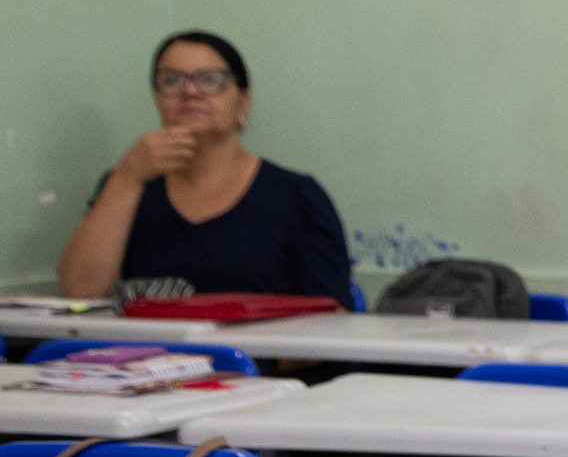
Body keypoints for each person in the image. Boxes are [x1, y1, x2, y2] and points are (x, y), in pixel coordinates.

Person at [57, 31, 354, 306]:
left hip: (256, 361)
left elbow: (333, 318)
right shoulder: (129, 183)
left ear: (243, 102)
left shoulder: (295, 196)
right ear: (157, 98)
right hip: (153, 359)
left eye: (210, 80)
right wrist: (127, 177)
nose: (190, 92)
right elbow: (81, 292)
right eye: (171, 80)